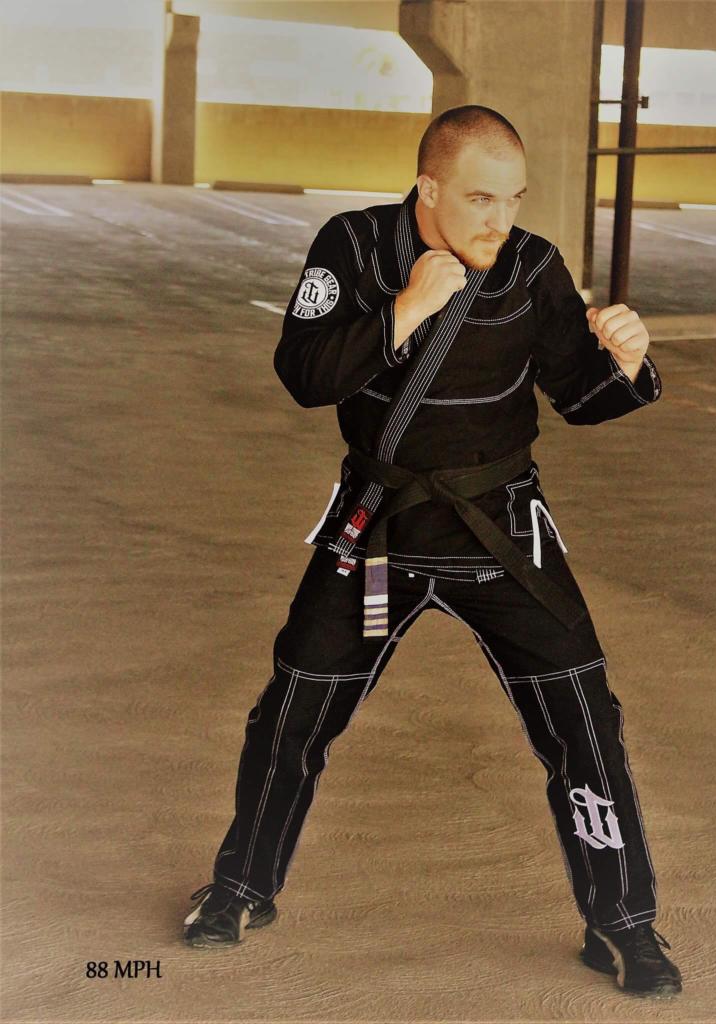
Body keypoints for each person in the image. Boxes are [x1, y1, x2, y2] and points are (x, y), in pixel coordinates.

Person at [182, 105, 682, 999]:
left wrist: (630, 366)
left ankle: (624, 925)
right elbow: (303, 374)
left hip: (502, 529)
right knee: (294, 707)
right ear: (429, 188)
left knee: (584, 717)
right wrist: (406, 310)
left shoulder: (532, 267)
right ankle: (240, 887)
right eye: (480, 199)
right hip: (378, 526)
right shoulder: (356, 247)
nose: (501, 220)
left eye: (514, 199)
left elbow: (579, 392)